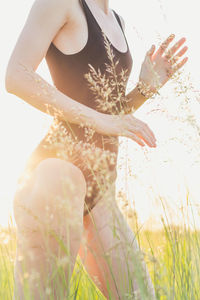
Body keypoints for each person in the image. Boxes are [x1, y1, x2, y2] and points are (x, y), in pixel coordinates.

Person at [5, 0, 188, 299]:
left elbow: (106, 116)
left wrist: (143, 90)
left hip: (99, 190)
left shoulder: (116, 21)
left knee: (140, 295)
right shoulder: (60, 3)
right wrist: (103, 120)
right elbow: (16, 75)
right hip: (55, 174)